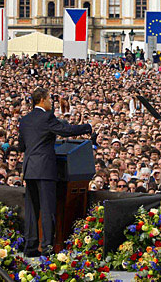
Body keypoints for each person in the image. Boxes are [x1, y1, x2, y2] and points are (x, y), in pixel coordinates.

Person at [19, 87, 97, 257]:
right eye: (49, 99)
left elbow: (21, 146)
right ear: (42, 100)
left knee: (32, 210)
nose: (51, 102)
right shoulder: (47, 117)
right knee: (47, 209)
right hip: (45, 169)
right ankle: (46, 247)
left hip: (29, 168)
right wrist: (88, 127)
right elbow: (66, 131)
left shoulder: (25, 120)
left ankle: (30, 247)